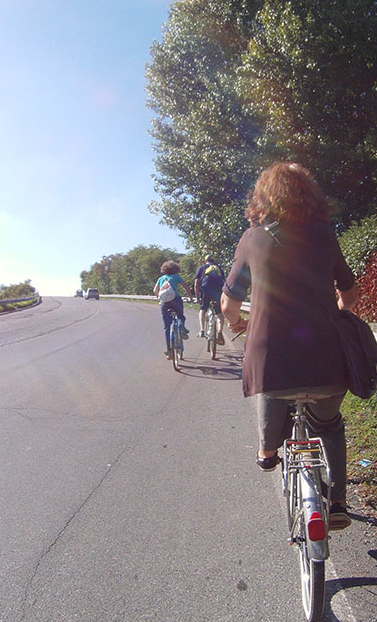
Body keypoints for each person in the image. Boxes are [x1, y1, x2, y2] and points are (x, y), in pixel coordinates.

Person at [220, 162, 358, 531]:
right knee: (329, 425)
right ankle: (339, 503)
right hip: (328, 361)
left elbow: (229, 303)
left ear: (262, 199)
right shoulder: (325, 236)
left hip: (273, 358)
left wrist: (235, 323)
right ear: (309, 195)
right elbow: (349, 293)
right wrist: (339, 313)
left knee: (272, 381)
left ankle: (268, 451)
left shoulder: (253, 238)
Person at [153, 260, 189, 359]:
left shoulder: (161, 278)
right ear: (176, 269)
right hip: (176, 300)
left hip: (165, 303)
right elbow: (186, 287)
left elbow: (155, 290)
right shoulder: (176, 277)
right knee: (180, 316)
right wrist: (190, 297)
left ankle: (169, 351)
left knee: (167, 327)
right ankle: (181, 328)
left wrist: (160, 298)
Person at [193, 255, 226, 344]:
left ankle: (202, 330)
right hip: (217, 290)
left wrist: (197, 297)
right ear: (214, 261)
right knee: (219, 313)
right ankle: (220, 332)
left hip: (206, 289)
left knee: (203, 309)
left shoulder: (201, 268)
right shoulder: (219, 269)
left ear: (205, 260)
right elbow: (224, 283)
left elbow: (196, 283)